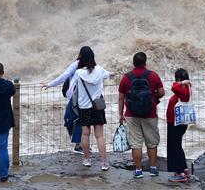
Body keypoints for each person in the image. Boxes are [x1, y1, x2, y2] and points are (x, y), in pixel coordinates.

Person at [118, 51, 165, 179]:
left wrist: (120, 114)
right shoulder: (153, 75)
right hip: (150, 114)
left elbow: (121, 97)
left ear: (133, 63)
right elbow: (161, 92)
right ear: (145, 62)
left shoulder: (126, 77)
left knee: (136, 144)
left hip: (131, 115)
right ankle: (153, 168)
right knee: (151, 142)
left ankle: (138, 170)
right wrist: (153, 97)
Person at [42, 47, 88, 154]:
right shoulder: (76, 65)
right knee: (76, 119)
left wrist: (109, 74)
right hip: (76, 97)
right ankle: (80, 144)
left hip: (83, 97)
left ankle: (80, 145)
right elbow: (64, 76)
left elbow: (102, 73)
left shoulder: (91, 66)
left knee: (79, 119)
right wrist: (50, 84)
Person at [72, 47, 110, 171]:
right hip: (97, 106)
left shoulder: (78, 73)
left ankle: (87, 160)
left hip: (84, 106)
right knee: (99, 135)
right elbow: (108, 74)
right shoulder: (99, 70)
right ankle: (104, 163)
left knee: (85, 133)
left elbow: (72, 87)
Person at [166, 68, 192, 183]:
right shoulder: (185, 89)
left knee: (175, 147)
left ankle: (180, 173)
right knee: (176, 146)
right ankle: (184, 169)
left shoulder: (183, 89)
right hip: (177, 122)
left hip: (176, 123)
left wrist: (180, 83)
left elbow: (173, 87)